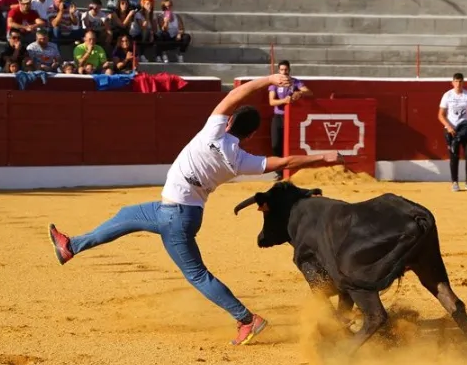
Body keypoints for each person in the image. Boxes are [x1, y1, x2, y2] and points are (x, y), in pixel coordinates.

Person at [47, 73, 343, 346]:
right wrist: (322, 157)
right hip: (179, 212)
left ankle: (246, 319)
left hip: (174, 217)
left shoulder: (212, 131)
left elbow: (236, 95)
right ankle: (71, 247)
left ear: (229, 122)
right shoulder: (242, 160)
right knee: (126, 214)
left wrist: (269, 79)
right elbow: (286, 162)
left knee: (197, 275)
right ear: (251, 136)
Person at [438, 72, 467, 192]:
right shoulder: (447, 95)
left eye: (460, 81)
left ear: (463, 82)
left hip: (465, 129)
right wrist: (448, 127)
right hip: (452, 130)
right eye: (456, 81)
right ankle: (454, 182)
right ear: (452, 83)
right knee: (454, 156)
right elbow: (440, 115)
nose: (458, 84)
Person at [268, 60, 311, 180]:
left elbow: (308, 92)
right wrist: (285, 100)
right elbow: (271, 102)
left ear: (289, 70)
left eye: (286, 69)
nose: (284, 72)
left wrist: (299, 93)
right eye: (282, 70)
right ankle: (279, 172)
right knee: (276, 144)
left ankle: (289, 171)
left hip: (291, 118)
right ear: (279, 71)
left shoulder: (295, 82)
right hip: (278, 116)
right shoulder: (275, 84)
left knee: (290, 145)